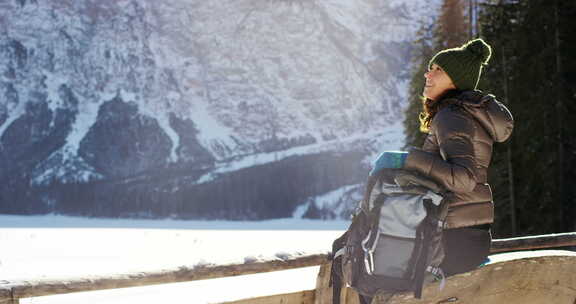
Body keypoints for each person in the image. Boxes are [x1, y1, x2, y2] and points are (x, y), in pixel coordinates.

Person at [371, 38, 514, 277]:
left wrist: (407, 160)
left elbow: (464, 179)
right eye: (430, 67)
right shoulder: (463, 113)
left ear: (455, 80)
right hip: (469, 234)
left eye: (438, 69)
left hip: (453, 238)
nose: (428, 74)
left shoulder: (451, 115)